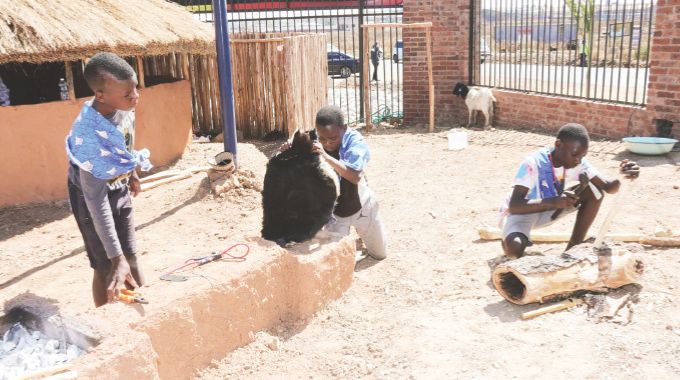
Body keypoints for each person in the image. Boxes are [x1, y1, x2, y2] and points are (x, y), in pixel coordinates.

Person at [65, 53, 152, 306]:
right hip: (89, 198)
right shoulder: (88, 136)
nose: (135, 96)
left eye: (135, 87)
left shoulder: (124, 106)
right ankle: (105, 325)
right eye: (127, 94)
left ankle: (146, 313)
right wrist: (116, 258)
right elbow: (96, 201)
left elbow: (124, 144)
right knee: (105, 266)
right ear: (101, 95)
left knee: (131, 257)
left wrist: (132, 172)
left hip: (118, 186)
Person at [500, 123, 640, 258]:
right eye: (575, 155)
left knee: (595, 191)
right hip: (523, 212)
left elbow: (609, 187)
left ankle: (573, 248)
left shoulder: (578, 163)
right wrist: (554, 202)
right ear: (558, 145)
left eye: (582, 156)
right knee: (515, 248)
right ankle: (508, 239)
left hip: (553, 208)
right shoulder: (533, 163)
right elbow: (515, 206)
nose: (578, 160)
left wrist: (624, 173)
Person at [281, 106, 387, 260]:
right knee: (336, 260)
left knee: (379, 254)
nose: (328, 143)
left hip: (363, 208)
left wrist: (325, 157)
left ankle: (362, 235)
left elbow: (354, 176)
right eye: (322, 138)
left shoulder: (355, 141)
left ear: (343, 128)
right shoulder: (313, 138)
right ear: (317, 130)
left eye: (333, 138)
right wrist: (288, 149)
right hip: (337, 215)